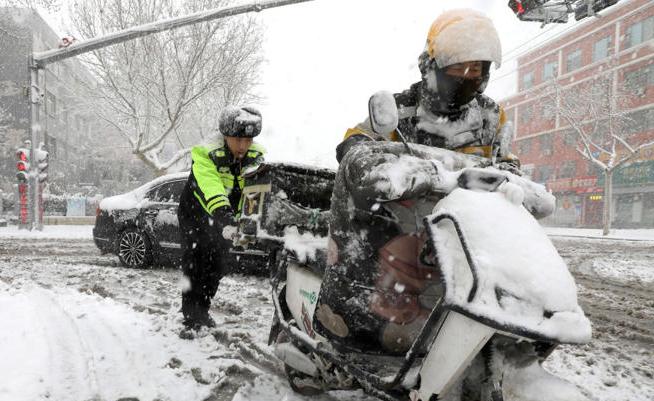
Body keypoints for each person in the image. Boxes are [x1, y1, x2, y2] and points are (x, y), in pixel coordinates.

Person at [314, 9, 555, 353]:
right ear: (431, 65)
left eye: (477, 68)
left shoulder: (489, 115)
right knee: (377, 282)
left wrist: (515, 177)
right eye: (458, 67)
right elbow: (357, 141)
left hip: (465, 229)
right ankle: (348, 327)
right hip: (403, 223)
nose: (467, 76)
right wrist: (367, 156)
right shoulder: (399, 109)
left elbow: (504, 162)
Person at [177, 105, 265, 330]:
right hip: (195, 216)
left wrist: (248, 226)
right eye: (238, 140)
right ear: (225, 135)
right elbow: (212, 189)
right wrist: (226, 219)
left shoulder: (256, 156)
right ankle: (191, 317)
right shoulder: (205, 153)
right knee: (195, 265)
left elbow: (254, 193)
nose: (244, 146)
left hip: (225, 220)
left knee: (217, 266)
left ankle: (203, 309)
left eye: (249, 140)